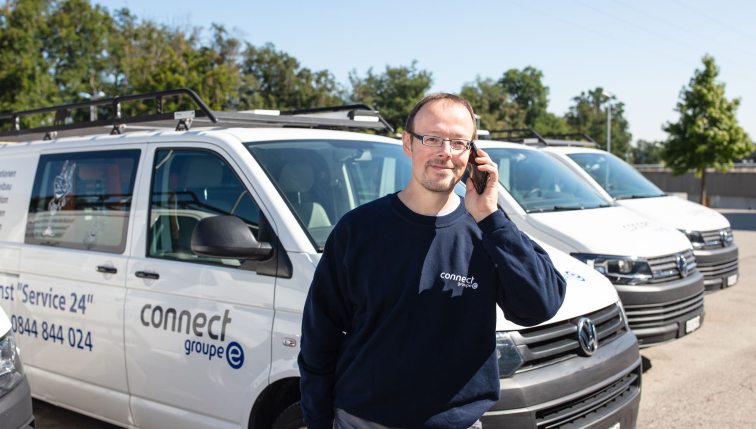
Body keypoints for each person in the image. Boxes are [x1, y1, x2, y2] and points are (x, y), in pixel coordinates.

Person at [298, 93, 566, 429]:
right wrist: (318, 420)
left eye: (458, 142)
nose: (446, 152)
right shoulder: (358, 229)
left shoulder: (489, 231)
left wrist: (489, 216)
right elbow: (319, 335)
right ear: (407, 143)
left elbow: (541, 304)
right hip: (362, 421)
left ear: (473, 155)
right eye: (433, 138)